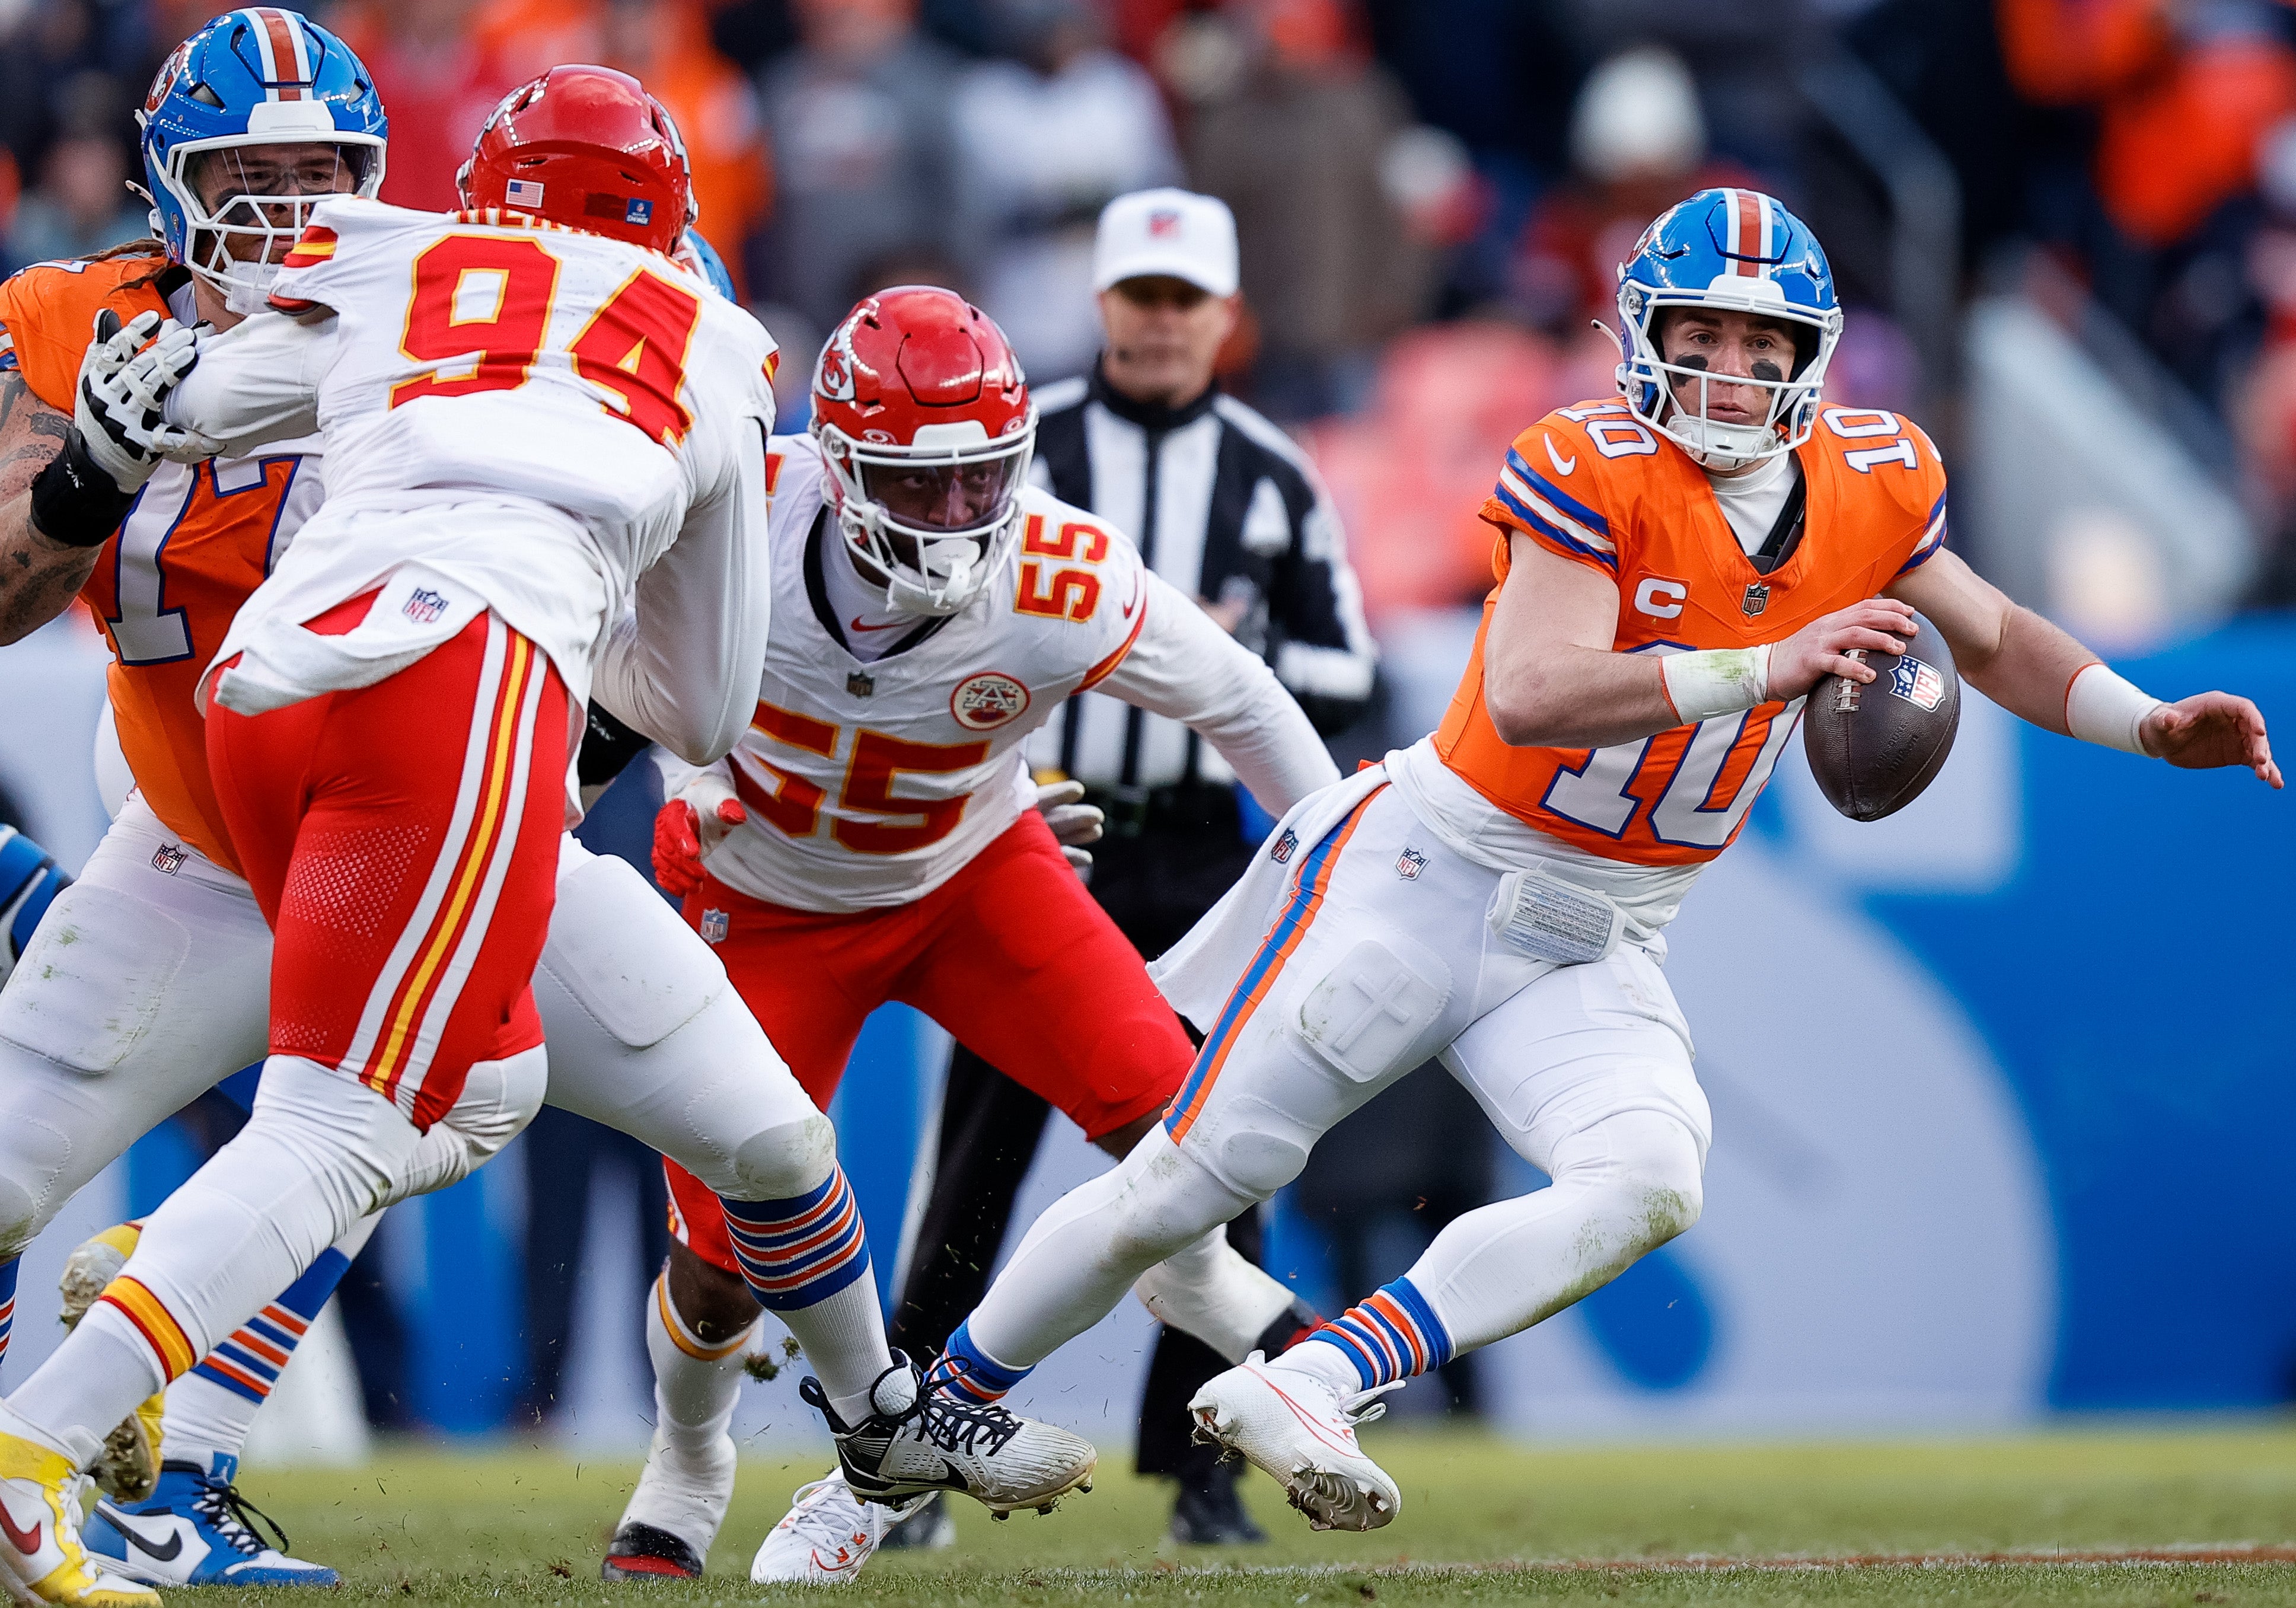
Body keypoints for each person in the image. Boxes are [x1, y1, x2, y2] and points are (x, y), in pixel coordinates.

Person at [904, 187, 2283, 1533]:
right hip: (1433, 874)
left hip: (1605, 928)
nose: (1729, 371)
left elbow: (1987, 637)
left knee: (1648, 1177)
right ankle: (913, 1440)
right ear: (1645, 339)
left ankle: (1313, 1383)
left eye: (1760, 346)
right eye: (1700, 337)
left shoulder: (1875, 478)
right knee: (1183, 1187)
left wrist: (2147, 724)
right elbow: (1532, 692)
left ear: (1809, 359)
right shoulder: (1586, 459)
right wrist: (1763, 663)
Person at [0, 56, 1082, 1607]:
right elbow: (702, 708)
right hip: (409, 736)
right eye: (255, 178)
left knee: (640, 1109)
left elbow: (195, 392)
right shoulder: (695, 331)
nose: (297, 209)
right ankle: (57, 1439)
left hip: (274, 718)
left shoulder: (395, 271)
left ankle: (882, 1417)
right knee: (351, 1121)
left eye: (324, 171)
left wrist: (117, 435)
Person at [611, 283, 1342, 1584]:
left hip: (971, 877)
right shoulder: (734, 523)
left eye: (980, 480)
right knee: (723, 1270)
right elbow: (604, 667)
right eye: (918, 483)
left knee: (1187, 1136)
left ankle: (1201, 1308)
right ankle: (689, 1456)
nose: (957, 517)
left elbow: (1241, 700)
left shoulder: (1056, 569)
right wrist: (684, 781)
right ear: (836, 467)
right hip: (770, 908)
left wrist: (1338, 877)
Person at [878, 184, 1374, 1548]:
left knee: (1221, 1160)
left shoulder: (1272, 471)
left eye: (1181, 303)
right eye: (1138, 301)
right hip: (1045, 832)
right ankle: (912, 1450)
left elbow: (1351, 664)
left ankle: (1205, 1474)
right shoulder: (1014, 441)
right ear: (1104, 307)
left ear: (1224, 316)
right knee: (979, 1158)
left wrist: (1233, 648)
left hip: (1213, 858)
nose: (1157, 326)